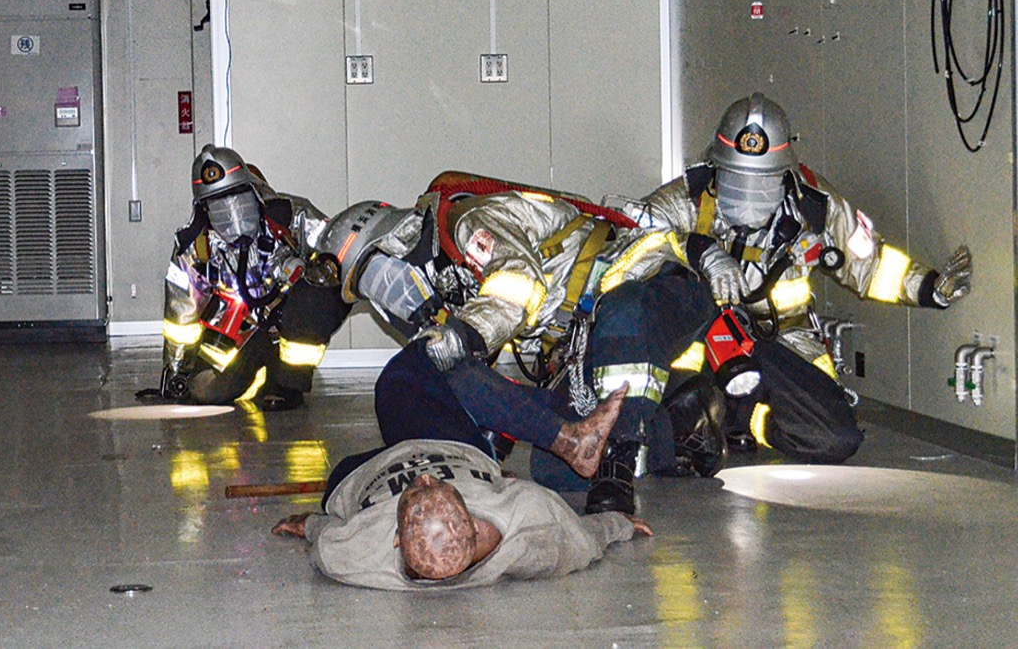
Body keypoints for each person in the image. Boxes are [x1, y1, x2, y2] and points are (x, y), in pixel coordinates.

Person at [283, 178, 731, 516]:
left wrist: (462, 335)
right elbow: (474, 364)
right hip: (589, 335)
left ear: (395, 242)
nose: (384, 296)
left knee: (622, 311)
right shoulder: (449, 278)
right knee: (553, 471)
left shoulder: (468, 224)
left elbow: (517, 283)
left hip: (654, 284)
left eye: (376, 277)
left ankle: (618, 458)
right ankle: (679, 428)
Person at [638, 93, 973, 460]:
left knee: (835, 438)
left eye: (763, 184)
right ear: (716, 166)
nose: (749, 199)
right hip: (698, 341)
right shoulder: (684, 199)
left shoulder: (813, 202)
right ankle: (694, 413)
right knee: (668, 428)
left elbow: (867, 261)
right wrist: (698, 250)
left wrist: (930, 287)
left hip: (780, 342)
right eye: (736, 180)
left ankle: (744, 417)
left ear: (785, 172)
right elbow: (629, 247)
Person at [271, 358, 651, 590]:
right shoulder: (532, 525)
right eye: (439, 487)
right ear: (470, 522)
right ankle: (566, 434)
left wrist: (306, 524)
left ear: (396, 540)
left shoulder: (355, 554)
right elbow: (585, 538)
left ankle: (551, 426)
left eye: (420, 491)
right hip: (451, 445)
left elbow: (324, 534)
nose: (425, 478)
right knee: (440, 374)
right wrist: (618, 523)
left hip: (361, 473)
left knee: (398, 378)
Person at [156, 145, 334, 410]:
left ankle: (288, 382)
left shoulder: (289, 216)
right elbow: (180, 316)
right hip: (236, 332)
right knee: (202, 390)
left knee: (311, 298)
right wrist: (176, 370)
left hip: (287, 322)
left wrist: (314, 272)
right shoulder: (195, 247)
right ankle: (256, 374)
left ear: (253, 190)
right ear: (204, 209)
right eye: (219, 207)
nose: (232, 215)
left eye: (239, 200)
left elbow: (334, 247)